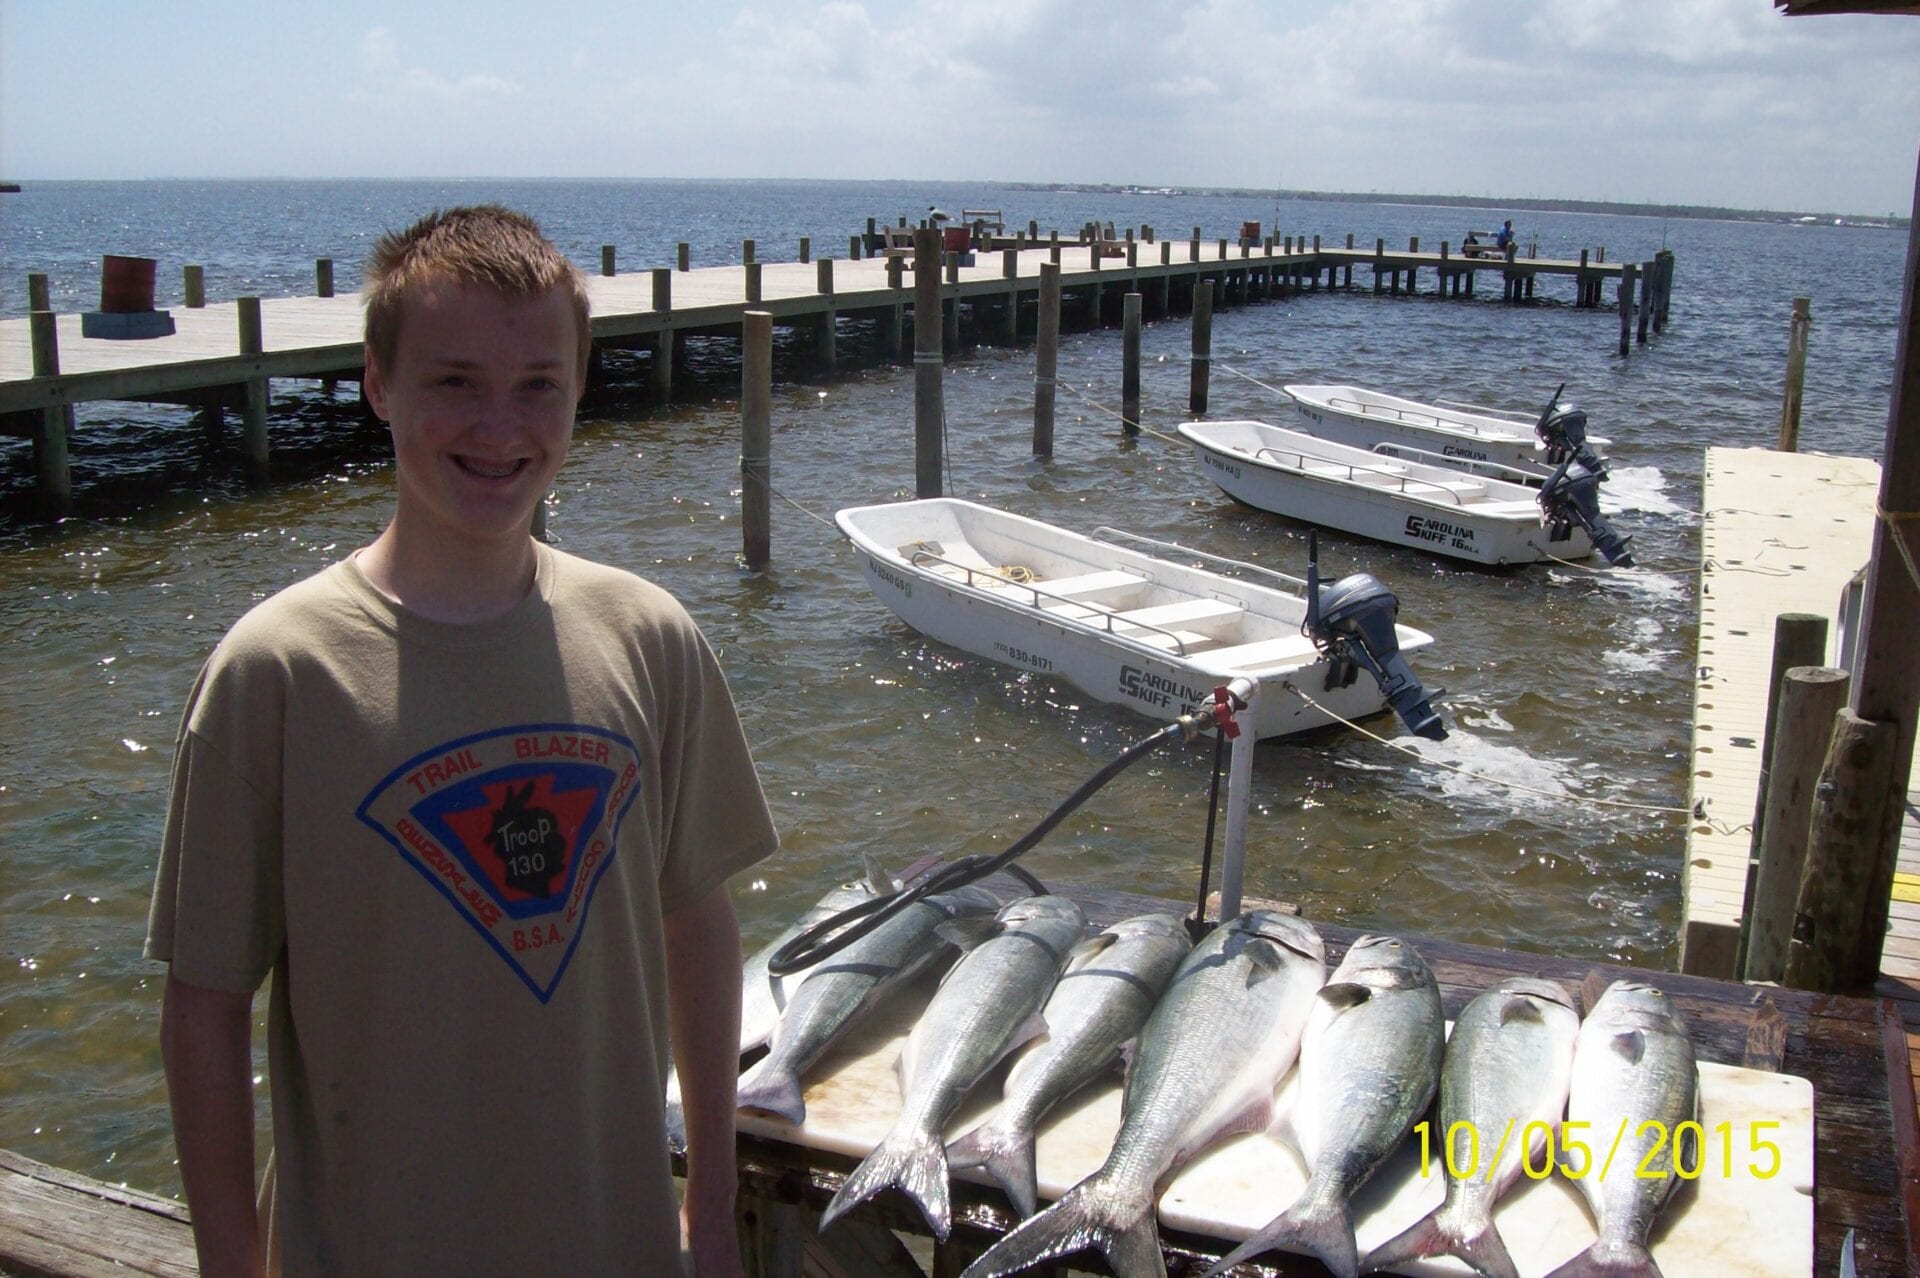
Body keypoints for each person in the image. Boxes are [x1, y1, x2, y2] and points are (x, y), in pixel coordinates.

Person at [147, 205, 778, 1278]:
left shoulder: (652, 637)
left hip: (615, 1242)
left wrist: (710, 1212)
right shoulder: (276, 670)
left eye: (538, 382)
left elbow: (697, 924)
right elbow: (204, 1005)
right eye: (453, 382)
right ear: (378, 383)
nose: (500, 425)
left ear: (580, 387)